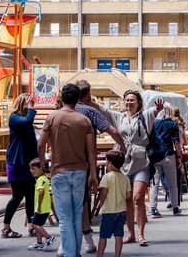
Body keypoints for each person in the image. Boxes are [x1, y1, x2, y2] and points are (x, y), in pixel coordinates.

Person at [38, 84, 98, 257]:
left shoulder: (52, 117)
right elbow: (91, 151)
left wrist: (42, 164)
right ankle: (75, 252)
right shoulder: (84, 120)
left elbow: (41, 144)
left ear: (62, 97)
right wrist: (93, 174)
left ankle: (71, 254)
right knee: (77, 215)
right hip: (80, 172)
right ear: (77, 99)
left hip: (59, 172)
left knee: (64, 218)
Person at [74, 81, 126, 254]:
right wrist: (122, 145)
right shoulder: (90, 112)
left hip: (61, 164)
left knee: (67, 206)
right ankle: (87, 240)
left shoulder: (58, 114)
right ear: (86, 95)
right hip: (84, 163)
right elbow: (112, 130)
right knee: (82, 202)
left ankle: (67, 243)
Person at [109, 89, 163, 247]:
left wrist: (158, 109)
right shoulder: (119, 117)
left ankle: (140, 234)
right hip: (124, 162)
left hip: (142, 162)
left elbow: (155, 110)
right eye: (126, 100)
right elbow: (104, 112)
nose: (129, 103)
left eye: (132, 100)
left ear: (139, 103)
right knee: (127, 200)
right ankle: (131, 234)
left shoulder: (145, 116)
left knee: (137, 197)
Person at [3, 93, 37, 239]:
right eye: (28, 103)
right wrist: (31, 109)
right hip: (16, 162)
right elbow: (26, 122)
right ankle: (6, 227)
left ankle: (31, 225)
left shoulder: (26, 120)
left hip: (28, 162)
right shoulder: (15, 118)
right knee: (17, 196)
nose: (30, 106)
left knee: (30, 195)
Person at [95, 150, 132, 257]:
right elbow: (128, 195)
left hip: (108, 211)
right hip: (121, 211)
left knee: (103, 236)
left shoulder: (106, 177)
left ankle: (100, 255)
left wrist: (100, 206)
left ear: (110, 163)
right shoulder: (125, 178)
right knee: (119, 236)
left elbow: (103, 194)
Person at [149, 107, 183, 218]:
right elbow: (176, 142)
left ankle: (153, 208)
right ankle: (175, 208)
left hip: (155, 156)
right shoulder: (172, 124)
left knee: (154, 183)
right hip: (169, 155)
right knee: (172, 183)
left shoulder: (152, 123)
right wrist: (179, 156)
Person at [27, 158, 57, 251]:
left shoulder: (41, 180)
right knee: (38, 224)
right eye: (31, 169)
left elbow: (41, 192)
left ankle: (49, 237)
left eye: (33, 169)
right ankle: (39, 243)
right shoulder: (43, 179)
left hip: (42, 208)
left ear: (41, 169)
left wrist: (39, 206)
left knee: (35, 225)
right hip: (44, 208)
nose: (31, 171)